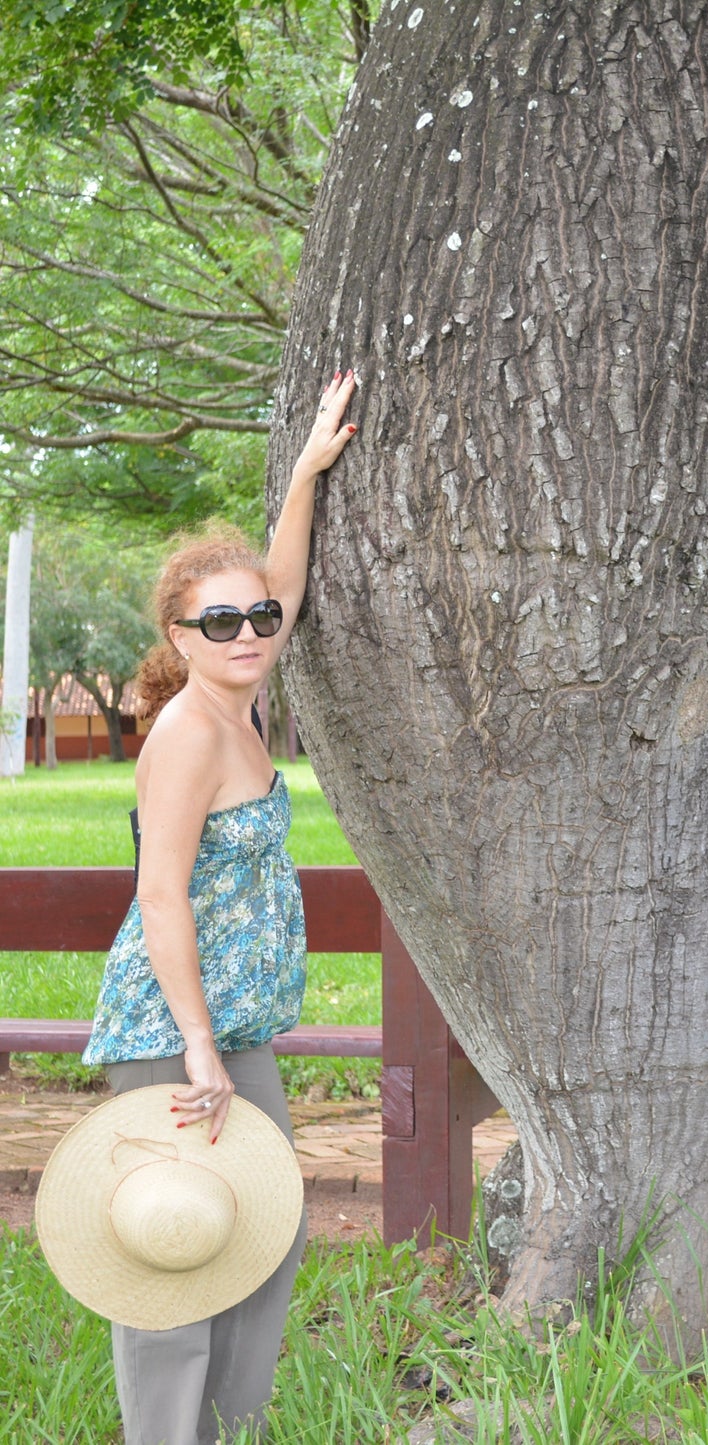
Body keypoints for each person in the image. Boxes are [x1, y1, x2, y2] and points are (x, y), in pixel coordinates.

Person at [80, 369, 358, 1445]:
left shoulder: (241, 688)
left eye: (259, 617)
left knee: (264, 1227)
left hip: (233, 1018)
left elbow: (280, 576)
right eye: (221, 620)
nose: (249, 631)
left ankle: (226, 1428)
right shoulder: (189, 738)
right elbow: (160, 902)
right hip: (172, 1021)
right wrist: (194, 1045)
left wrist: (301, 474)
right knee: (175, 1243)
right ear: (180, 635)